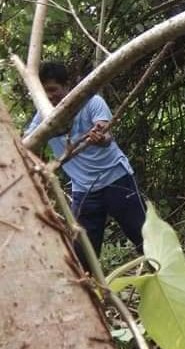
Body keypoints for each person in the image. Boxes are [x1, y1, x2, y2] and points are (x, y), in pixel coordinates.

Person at [25, 61, 146, 266]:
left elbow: (106, 136)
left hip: (117, 179)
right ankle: (91, 294)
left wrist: (100, 137)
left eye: (54, 90)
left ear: (67, 86)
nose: (50, 96)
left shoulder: (92, 102)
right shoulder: (42, 118)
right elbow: (27, 145)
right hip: (84, 191)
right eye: (45, 92)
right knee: (83, 255)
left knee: (144, 238)